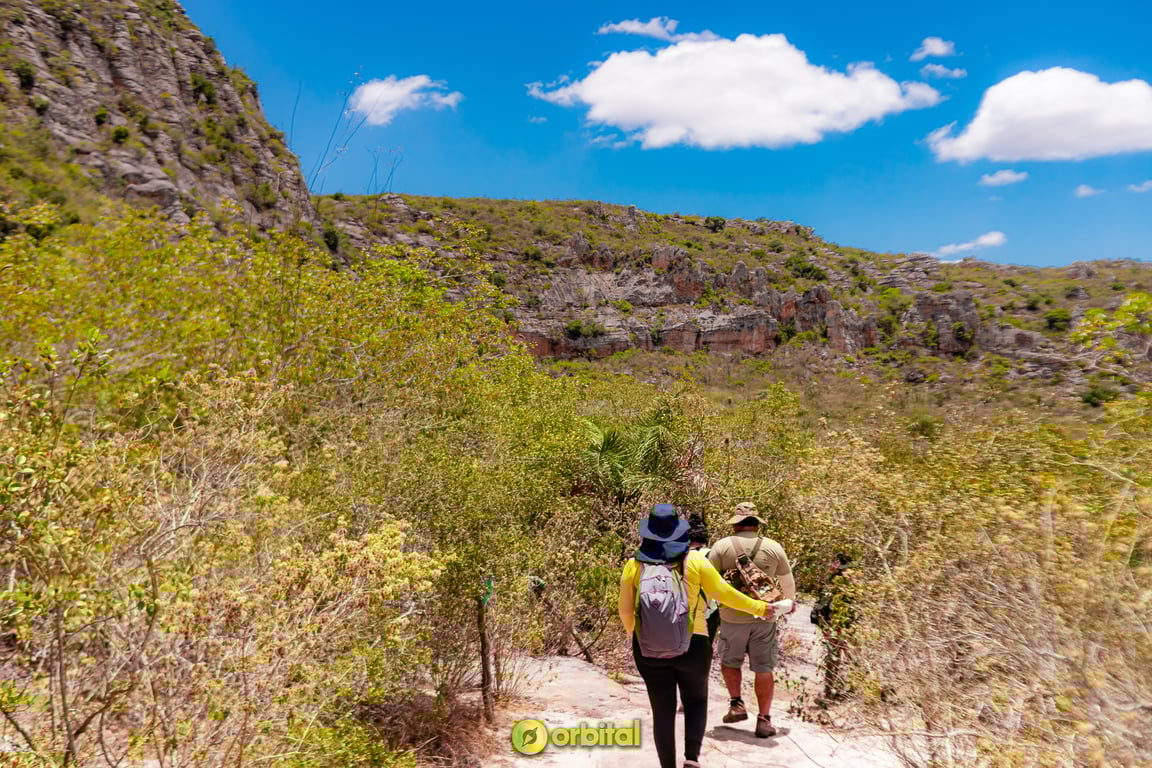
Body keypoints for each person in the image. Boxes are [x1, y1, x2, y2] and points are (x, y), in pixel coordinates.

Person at [619, 504, 775, 768]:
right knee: (696, 699)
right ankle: (691, 758)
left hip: (648, 650)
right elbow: (725, 595)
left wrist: (641, 635)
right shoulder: (696, 561)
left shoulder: (634, 566)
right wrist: (761, 608)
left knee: (663, 711)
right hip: (694, 645)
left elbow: (625, 612)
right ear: (679, 533)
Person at [707, 502, 796, 738]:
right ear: (757, 524)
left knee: (730, 660)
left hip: (731, 617)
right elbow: (787, 583)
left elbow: (706, 580)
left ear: (735, 524)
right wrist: (789, 603)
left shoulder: (722, 546)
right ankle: (764, 720)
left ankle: (736, 704)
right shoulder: (774, 547)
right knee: (764, 668)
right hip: (765, 616)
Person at [811, 552, 854, 702]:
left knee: (841, 658)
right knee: (835, 658)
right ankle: (831, 691)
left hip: (841, 625)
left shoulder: (845, 581)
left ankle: (839, 690)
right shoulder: (835, 581)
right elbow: (822, 602)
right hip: (834, 625)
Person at [687, 520, 721, 644]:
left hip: (681, 611)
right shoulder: (711, 554)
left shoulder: (677, 555)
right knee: (704, 649)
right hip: (709, 611)